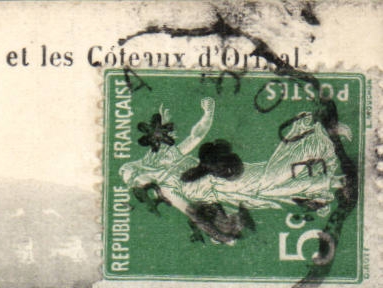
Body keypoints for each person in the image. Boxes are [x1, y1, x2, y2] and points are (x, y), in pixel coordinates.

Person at [120, 98, 349, 245]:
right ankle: (331, 179)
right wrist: (220, 235)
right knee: (274, 189)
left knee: (273, 178)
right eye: (134, 183)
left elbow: (195, 137)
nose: (137, 183)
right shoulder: (167, 190)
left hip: (228, 176)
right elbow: (194, 214)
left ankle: (323, 144)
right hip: (227, 191)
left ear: (138, 167)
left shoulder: (168, 160)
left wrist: (208, 114)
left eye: (133, 177)